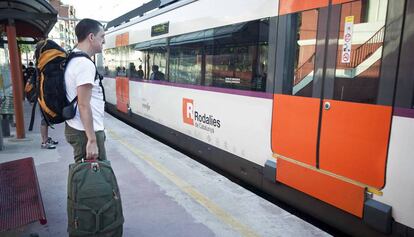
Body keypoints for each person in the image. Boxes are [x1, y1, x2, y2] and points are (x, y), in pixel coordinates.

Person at [64, 18, 106, 162]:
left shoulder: (73, 57)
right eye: (102, 36)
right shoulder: (84, 64)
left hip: (78, 128)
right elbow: (83, 104)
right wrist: (92, 140)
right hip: (85, 132)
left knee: (86, 177)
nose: (104, 41)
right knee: (94, 180)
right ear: (91, 37)